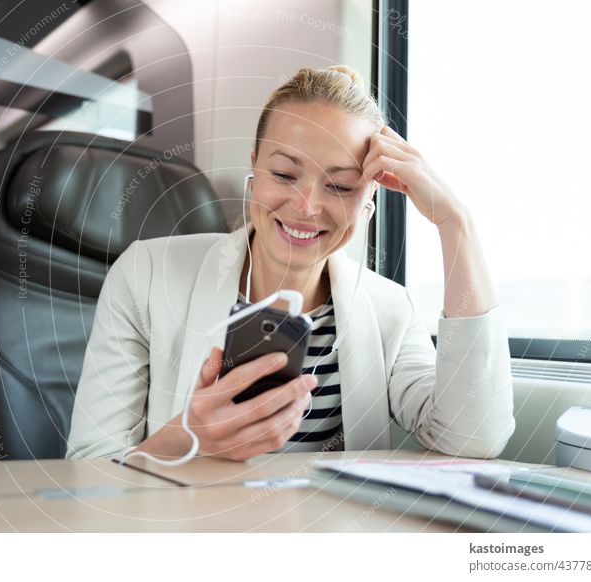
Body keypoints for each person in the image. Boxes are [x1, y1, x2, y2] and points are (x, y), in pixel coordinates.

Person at [66, 65, 515, 462]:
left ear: (369, 199)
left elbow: (473, 437)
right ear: (255, 168)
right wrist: (191, 439)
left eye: (339, 186)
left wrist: (456, 225)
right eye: (283, 174)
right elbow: (89, 468)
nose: (305, 206)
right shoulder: (146, 275)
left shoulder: (391, 310)